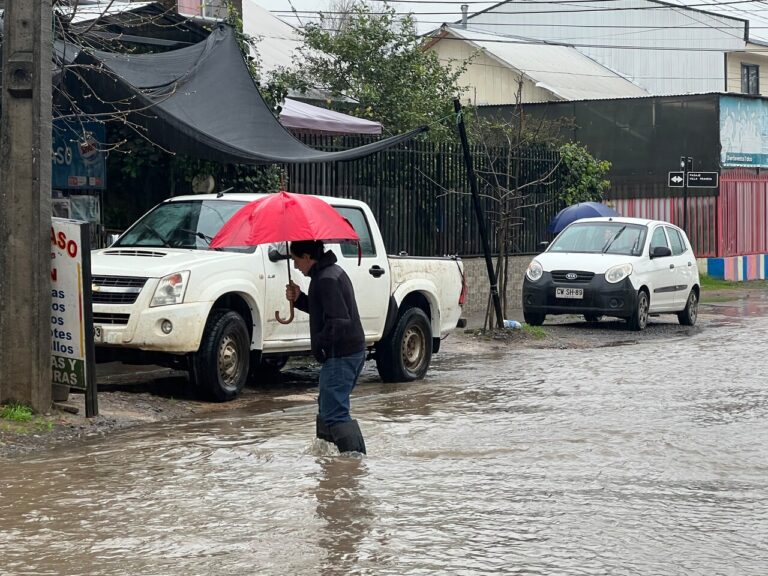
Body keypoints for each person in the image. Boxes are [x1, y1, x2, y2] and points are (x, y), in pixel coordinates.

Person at [285, 240, 367, 454]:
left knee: (335, 413)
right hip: (347, 352)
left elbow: (339, 320)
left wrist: (320, 345)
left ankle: (352, 464)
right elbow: (325, 309)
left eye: (295, 260)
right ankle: (329, 462)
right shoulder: (329, 273)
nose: (294, 266)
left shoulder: (326, 279)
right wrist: (300, 299)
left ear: (306, 257)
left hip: (341, 355)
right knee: (327, 408)